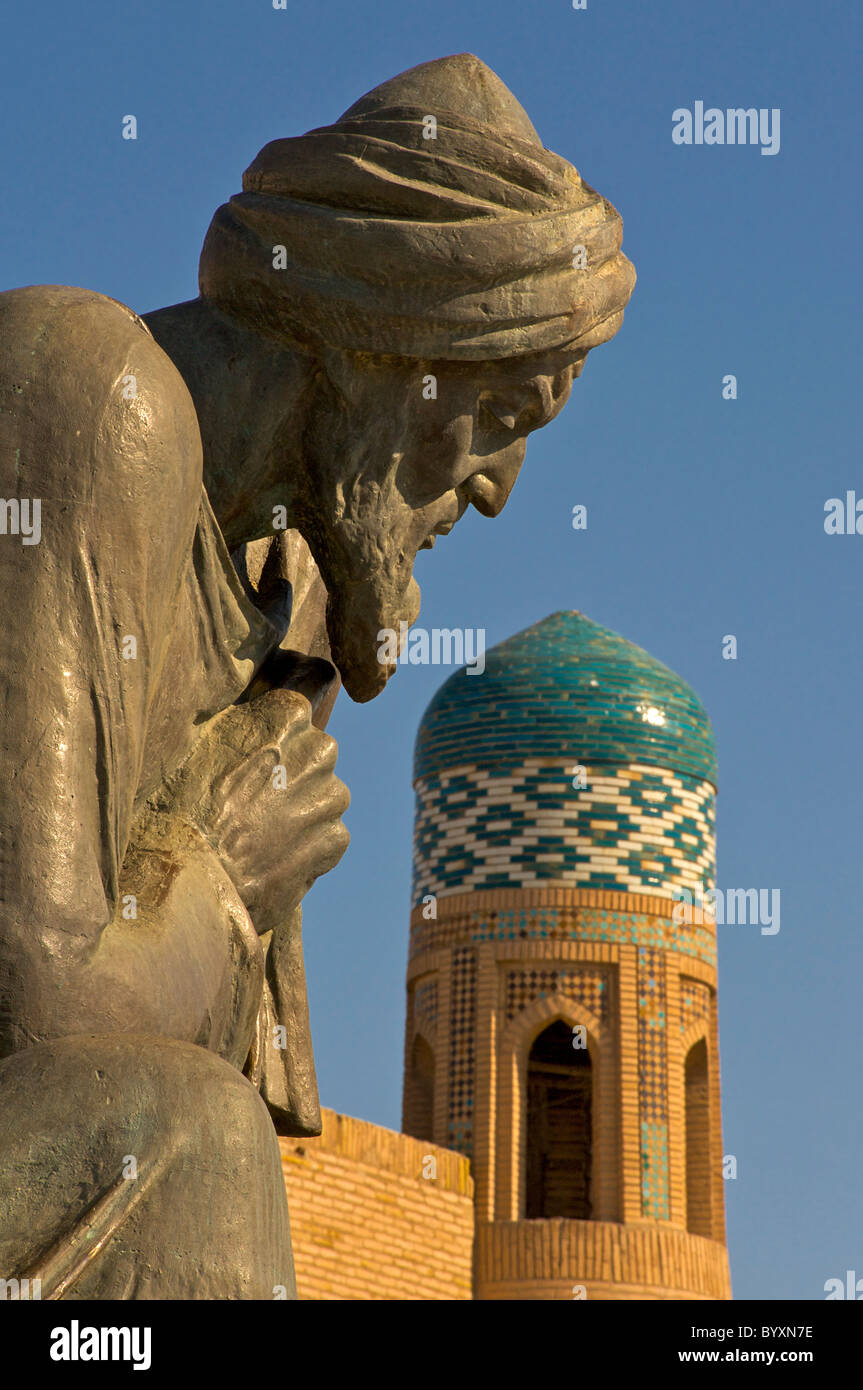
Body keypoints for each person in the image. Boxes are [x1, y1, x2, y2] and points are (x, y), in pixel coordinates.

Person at [0, 54, 634, 1299]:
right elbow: (44, 1009)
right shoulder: (91, 397)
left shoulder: (295, 588)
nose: (498, 489)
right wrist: (221, 876)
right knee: (190, 1136)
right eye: (504, 409)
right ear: (392, 349)